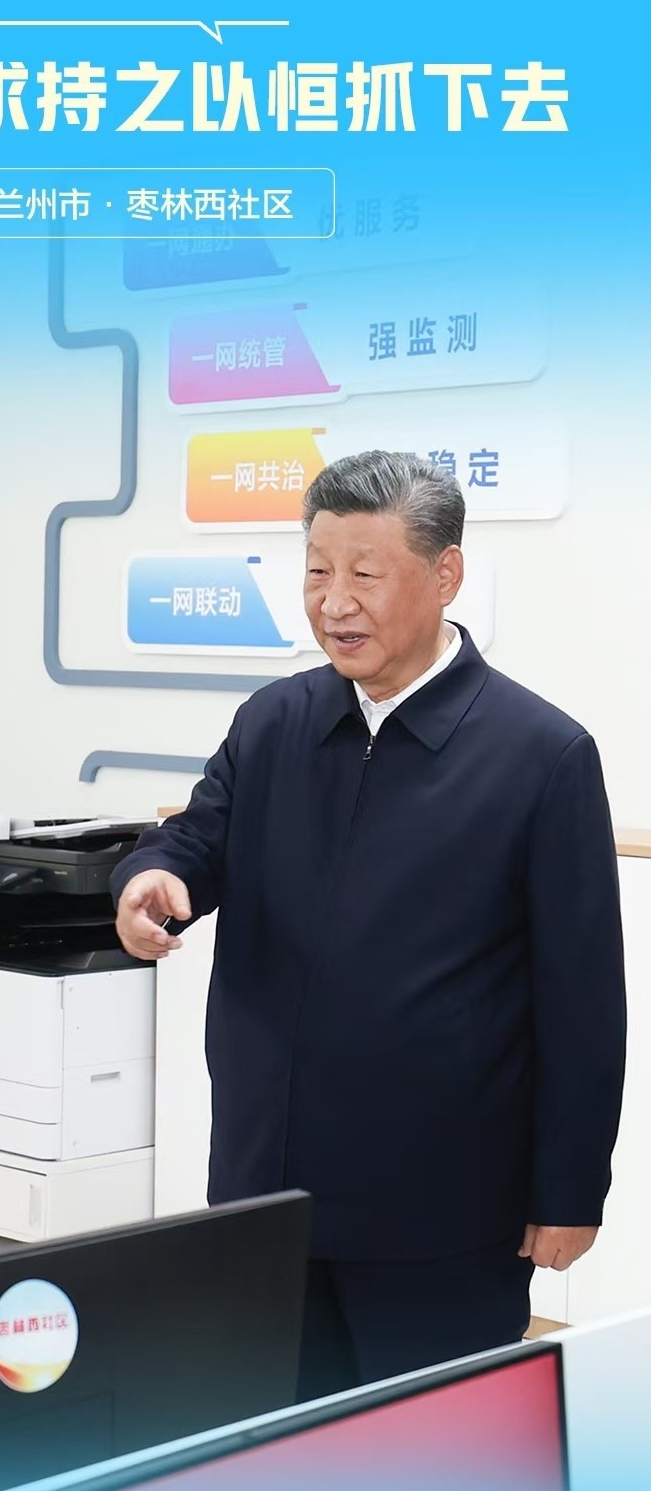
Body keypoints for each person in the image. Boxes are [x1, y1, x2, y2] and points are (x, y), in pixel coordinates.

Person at [112, 452, 626, 1400]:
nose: (334, 602)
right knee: (273, 1445)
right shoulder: (274, 720)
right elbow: (198, 836)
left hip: (441, 1215)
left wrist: (569, 1192)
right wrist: (153, 877)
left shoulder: (541, 755)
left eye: (364, 573)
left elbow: (584, 1002)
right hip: (268, 1191)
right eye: (317, 570)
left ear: (445, 574)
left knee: (432, 1459)